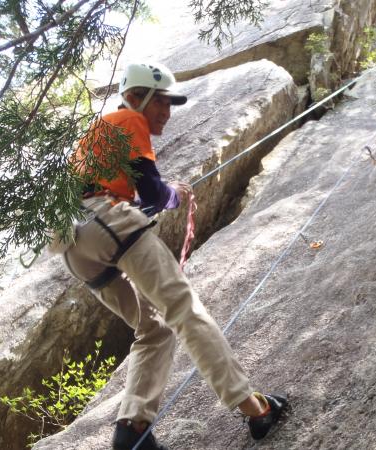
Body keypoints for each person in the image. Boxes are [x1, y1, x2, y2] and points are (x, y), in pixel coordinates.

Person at [63, 62, 288, 450]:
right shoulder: (128, 119)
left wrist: (158, 197)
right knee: (185, 310)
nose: (167, 112)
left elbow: (113, 192)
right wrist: (173, 194)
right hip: (108, 224)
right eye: (161, 102)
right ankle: (255, 409)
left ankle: (133, 431)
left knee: (154, 328)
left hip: (74, 245)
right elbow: (153, 192)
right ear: (134, 97)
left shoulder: (94, 135)